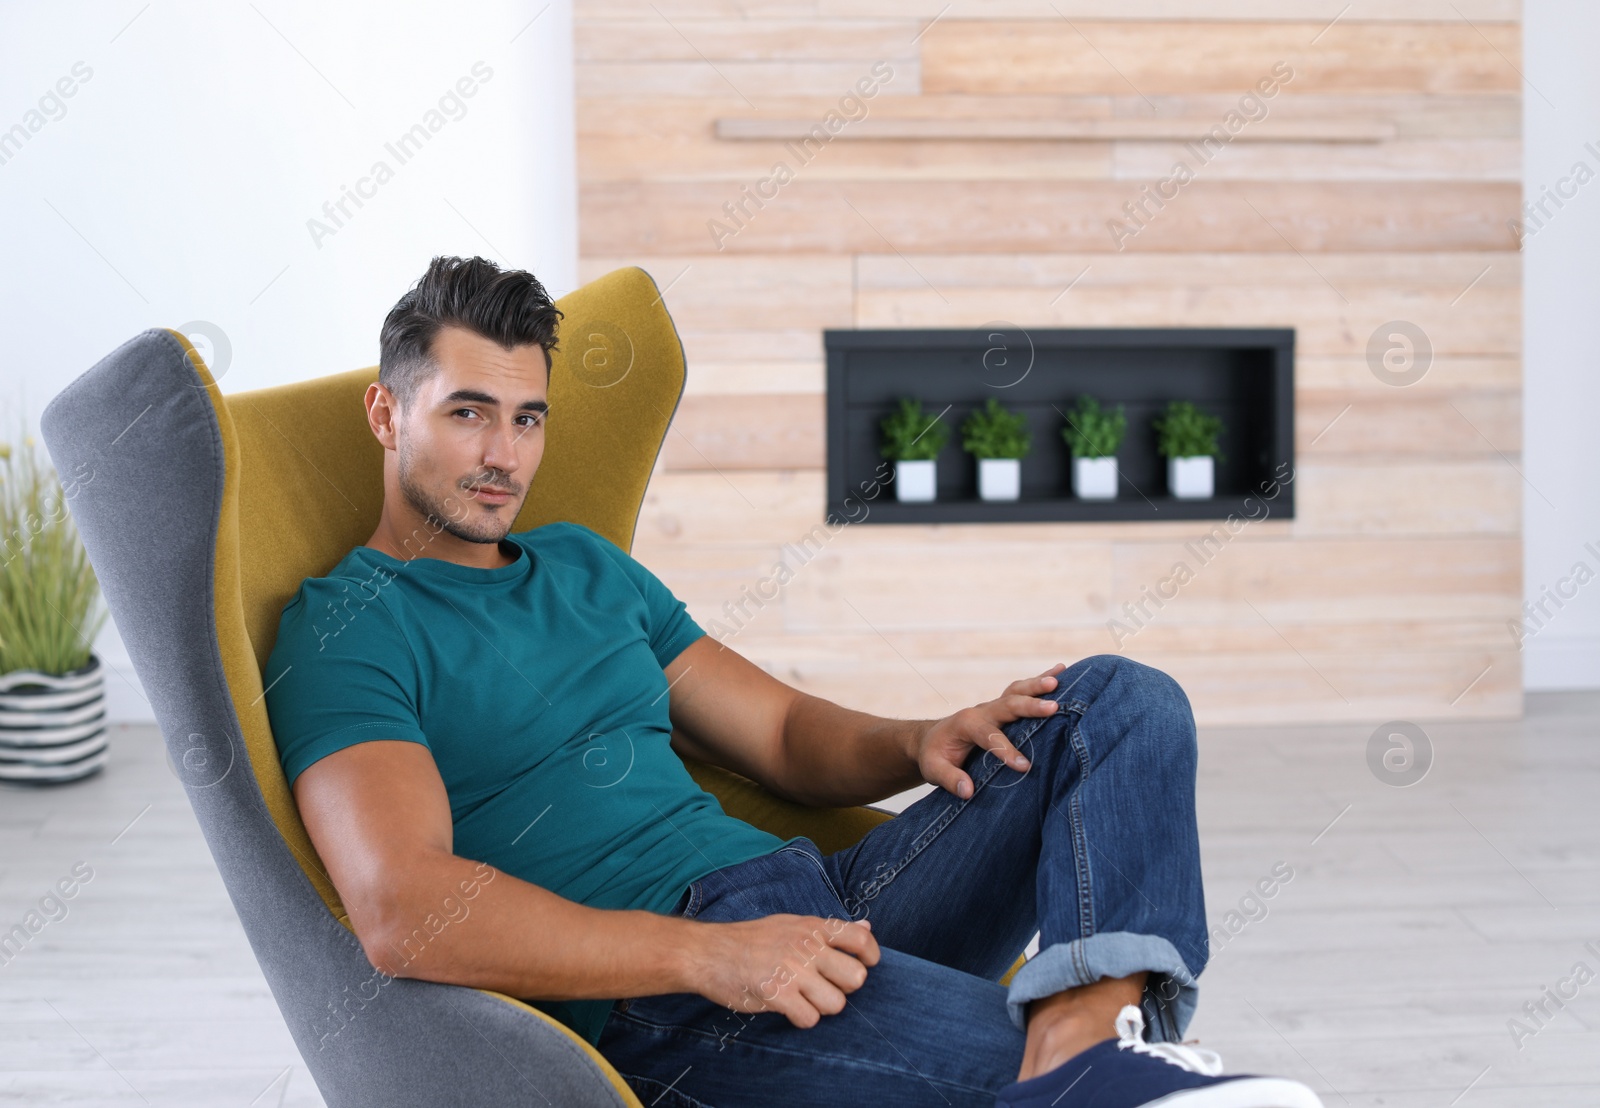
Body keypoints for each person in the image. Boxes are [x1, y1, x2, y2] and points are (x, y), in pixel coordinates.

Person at [265, 255, 1322, 1108]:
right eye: (467, 411)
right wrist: (706, 958)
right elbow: (406, 910)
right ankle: (1100, 1073)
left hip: (816, 907)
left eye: (527, 416)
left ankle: (1088, 1044)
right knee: (1014, 1073)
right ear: (385, 414)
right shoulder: (348, 629)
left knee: (1114, 701)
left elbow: (774, 731)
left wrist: (917, 739)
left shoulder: (584, 566)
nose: (503, 452)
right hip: (666, 1001)